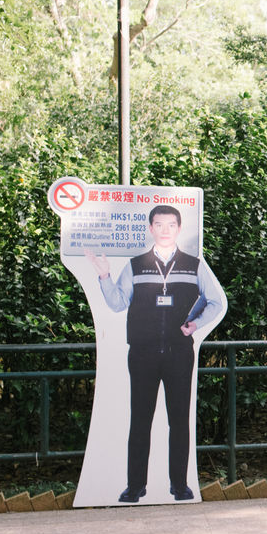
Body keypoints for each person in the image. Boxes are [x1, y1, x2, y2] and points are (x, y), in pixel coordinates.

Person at [87, 205, 224, 503]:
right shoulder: (136, 265)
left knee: (179, 420)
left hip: (179, 354)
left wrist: (195, 325)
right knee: (140, 420)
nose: (164, 229)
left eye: (170, 224)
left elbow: (216, 301)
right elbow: (117, 303)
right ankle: (135, 486)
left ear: (178, 228)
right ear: (150, 228)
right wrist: (105, 276)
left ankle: (180, 485)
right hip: (143, 353)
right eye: (158, 224)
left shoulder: (194, 264)